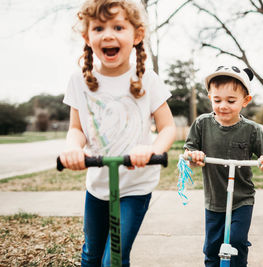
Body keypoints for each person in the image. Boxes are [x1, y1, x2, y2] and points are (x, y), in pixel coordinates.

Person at [59, 0, 176, 266]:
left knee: (114, 257)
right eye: (99, 28)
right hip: (98, 184)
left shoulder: (147, 78)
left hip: (136, 186)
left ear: (137, 35)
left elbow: (168, 127)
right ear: (87, 36)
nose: (108, 34)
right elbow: (76, 129)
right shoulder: (79, 81)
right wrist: (73, 149)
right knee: (91, 255)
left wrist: (152, 150)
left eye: (118, 26)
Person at [184, 65, 263, 267]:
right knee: (212, 247)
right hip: (214, 199)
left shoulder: (252, 130)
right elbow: (189, 155)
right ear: (210, 97)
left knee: (236, 242)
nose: (223, 106)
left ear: (245, 101)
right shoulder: (202, 124)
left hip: (242, 199)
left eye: (231, 100)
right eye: (217, 100)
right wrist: (194, 155)